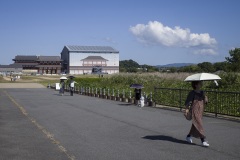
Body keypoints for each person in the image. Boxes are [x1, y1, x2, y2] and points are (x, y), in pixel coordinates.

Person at [185, 81, 209, 147]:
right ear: (195, 85)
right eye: (199, 83)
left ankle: (189, 136)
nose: (201, 84)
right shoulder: (192, 93)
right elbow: (188, 102)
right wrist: (187, 109)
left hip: (200, 110)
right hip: (194, 110)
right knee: (199, 123)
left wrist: (206, 98)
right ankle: (203, 140)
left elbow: (206, 102)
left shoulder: (202, 92)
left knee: (195, 124)